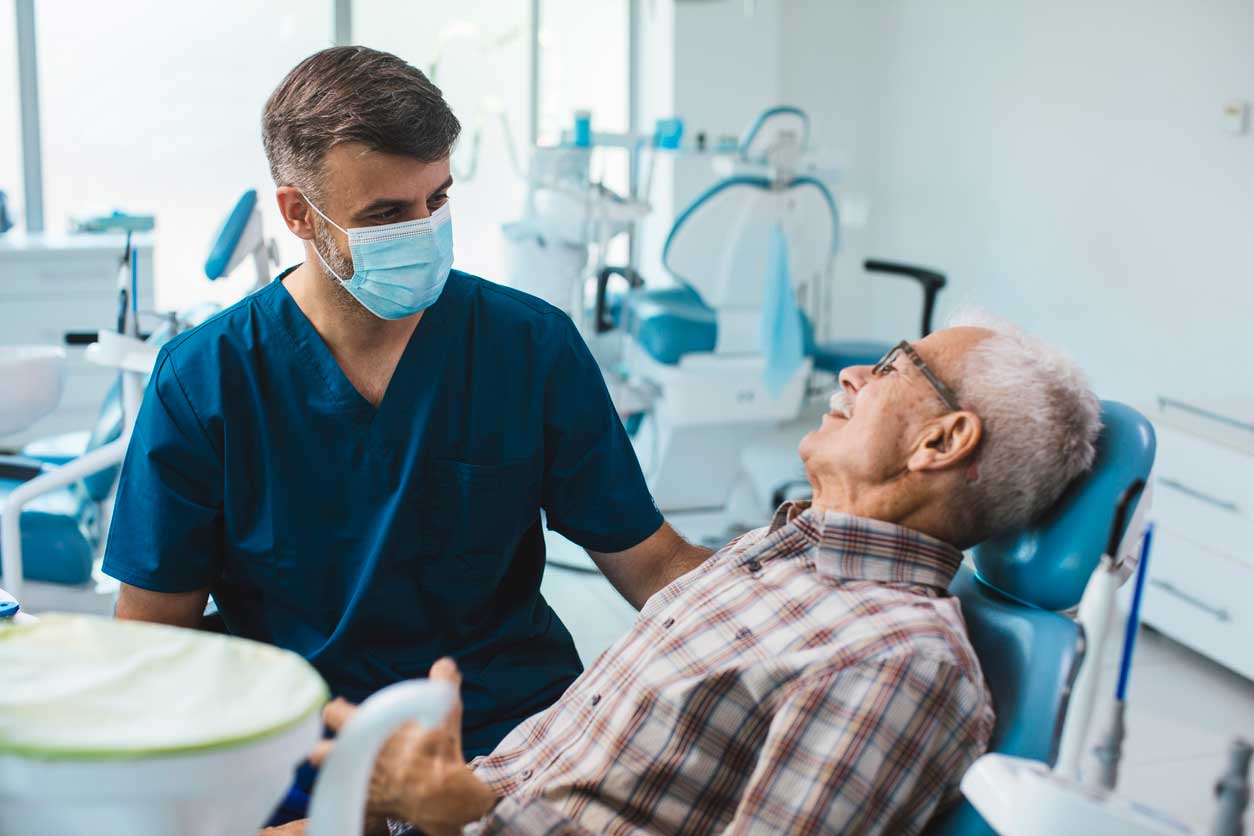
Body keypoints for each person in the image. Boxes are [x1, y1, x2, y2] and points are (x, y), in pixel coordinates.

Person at [101, 44, 709, 789]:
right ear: (298, 213)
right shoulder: (206, 382)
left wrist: (791, 611)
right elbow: (153, 642)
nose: (423, 230)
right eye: (387, 213)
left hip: (513, 735)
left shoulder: (528, 347)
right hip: (307, 752)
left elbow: (650, 561)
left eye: (438, 200)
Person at [270, 314, 1103, 835]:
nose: (852, 375)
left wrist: (465, 815)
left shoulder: (899, 663)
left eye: (890, 367)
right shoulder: (781, 555)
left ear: (941, 443)